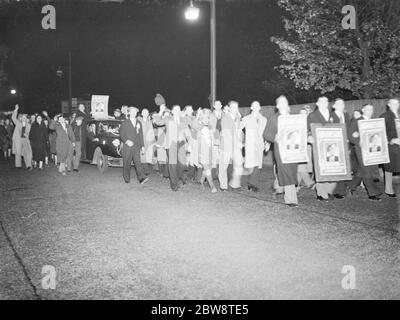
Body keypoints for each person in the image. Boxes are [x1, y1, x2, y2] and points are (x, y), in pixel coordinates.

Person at [264, 96, 299, 207]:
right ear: (278, 106)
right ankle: (291, 199)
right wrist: (275, 137)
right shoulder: (274, 118)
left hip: (293, 149)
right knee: (287, 172)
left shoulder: (293, 118)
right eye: (281, 103)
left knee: (290, 172)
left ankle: (277, 186)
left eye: (286, 102)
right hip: (281, 151)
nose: (284, 104)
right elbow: (266, 134)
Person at [349, 104, 383, 200]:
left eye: (371, 109)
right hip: (361, 150)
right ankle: (372, 193)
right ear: (363, 110)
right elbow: (350, 135)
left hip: (371, 150)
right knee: (367, 170)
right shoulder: (356, 120)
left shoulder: (374, 122)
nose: (370, 111)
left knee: (362, 170)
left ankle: (351, 186)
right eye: (368, 109)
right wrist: (357, 140)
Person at [153, 104, 190, 191]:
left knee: (183, 164)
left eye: (179, 109)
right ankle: (174, 184)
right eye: (176, 110)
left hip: (181, 143)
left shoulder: (183, 120)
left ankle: (176, 178)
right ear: (172, 111)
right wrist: (161, 111)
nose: (177, 111)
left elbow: (187, 132)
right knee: (172, 164)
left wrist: (190, 143)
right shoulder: (167, 119)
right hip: (171, 144)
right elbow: (157, 122)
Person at [307, 96, 337, 201]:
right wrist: (309, 136)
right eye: (321, 102)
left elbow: (339, 127)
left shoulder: (332, 115)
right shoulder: (312, 115)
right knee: (320, 169)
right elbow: (307, 129)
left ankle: (329, 190)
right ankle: (321, 193)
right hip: (318, 146)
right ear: (317, 104)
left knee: (332, 168)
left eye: (326, 102)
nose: (324, 103)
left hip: (332, 146)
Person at [240, 101, 267, 192]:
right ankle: (252, 184)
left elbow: (265, 133)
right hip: (250, 145)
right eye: (254, 106)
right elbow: (238, 128)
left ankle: (253, 183)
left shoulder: (264, 119)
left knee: (258, 165)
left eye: (257, 106)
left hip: (260, 144)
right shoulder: (246, 118)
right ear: (251, 108)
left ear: (259, 108)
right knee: (253, 164)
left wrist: (268, 143)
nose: (256, 107)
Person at [120, 106, 149, 185]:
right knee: (127, 163)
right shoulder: (125, 122)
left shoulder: (139, 122)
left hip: (136, 146)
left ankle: (141, 178)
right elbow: (121, 134)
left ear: (136, 113)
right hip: (128, 147)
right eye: (132, 111)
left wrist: (142, 146)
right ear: (129, 113)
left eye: (135, 112)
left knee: (138, 162)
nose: (134, 113)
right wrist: (126, 141)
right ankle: (126, 178)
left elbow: (141, 135)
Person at [218, 101, 243, 191]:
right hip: (226, 146)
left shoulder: (237, 118)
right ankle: (223, 186)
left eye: (236, 107)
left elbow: (239, 132)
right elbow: (227, 134)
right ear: (228, 108)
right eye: (232, 107)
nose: (235, 109)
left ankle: (235, 184)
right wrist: (237, 142)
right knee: (223, 167)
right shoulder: (225, 118)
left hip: (235, 146)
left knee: (239, 164)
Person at [380, 98, 400, 197]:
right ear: (389, 104)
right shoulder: (384, 116)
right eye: (393, 103)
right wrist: (390, 140)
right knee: (389, 168)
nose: (395, 105)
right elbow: (380, 132)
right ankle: (389, 189)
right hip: (391, 146)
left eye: (397, 103)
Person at [197, 108, 218, 193]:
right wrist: (199, 153)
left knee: (208, 168)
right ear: (201, 118)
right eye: (205, 117)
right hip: (202, 151)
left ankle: (202, 180)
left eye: (208, 117)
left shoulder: (210, 127)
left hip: (209, 150)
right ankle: (212, 186)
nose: (207, 119)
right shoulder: (199, 127)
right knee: (207, 169)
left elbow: (214, 138)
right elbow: (198, 141)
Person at [11, 104, 33, 170]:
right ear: (20, 118)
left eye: (25, 117)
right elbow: (13, 118)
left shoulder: (29, 125)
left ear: (26, 119)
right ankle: (18, 165)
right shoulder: (18, 123)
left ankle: (28, 165)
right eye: (22, 117)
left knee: (27, 152)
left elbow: (29, 133)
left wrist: (27, 134)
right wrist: (16, 110)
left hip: (25, 140)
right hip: (18, 140)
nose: (23, 118)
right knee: (18, 152)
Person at [153, 105, 169, 179]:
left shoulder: (171, 121)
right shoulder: (160, 121)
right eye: (165, 113)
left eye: (168, 113)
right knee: (161, 158)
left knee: (167, 159)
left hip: (168, 142)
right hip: (160, 142)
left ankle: (166, 174)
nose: (167, 115)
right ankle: (161, 172)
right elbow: (155, 123)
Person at [139, 108, 156, 175]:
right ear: (142, 113)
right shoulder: (139, 120)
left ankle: (145, 170)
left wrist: (153, 141)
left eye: (147, 112)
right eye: (144, 112)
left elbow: (151, 131)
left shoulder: (149, 122)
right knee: (142, 155)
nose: (145, 114)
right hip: (140, 140)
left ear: (148, 114)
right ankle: (145, 170)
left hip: (148, 141)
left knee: (147, 155)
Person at [209, 100, 223, 180]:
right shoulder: (211, 115)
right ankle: (212, 176)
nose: (217, 106)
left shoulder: (225, 115)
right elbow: (209, 126)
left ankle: (219, 175)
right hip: (214, 137)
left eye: (219, 104)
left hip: (222, 138)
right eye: (216, 104)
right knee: (214, 157)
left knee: (221, 157)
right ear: (214, 106)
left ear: (221, 106)